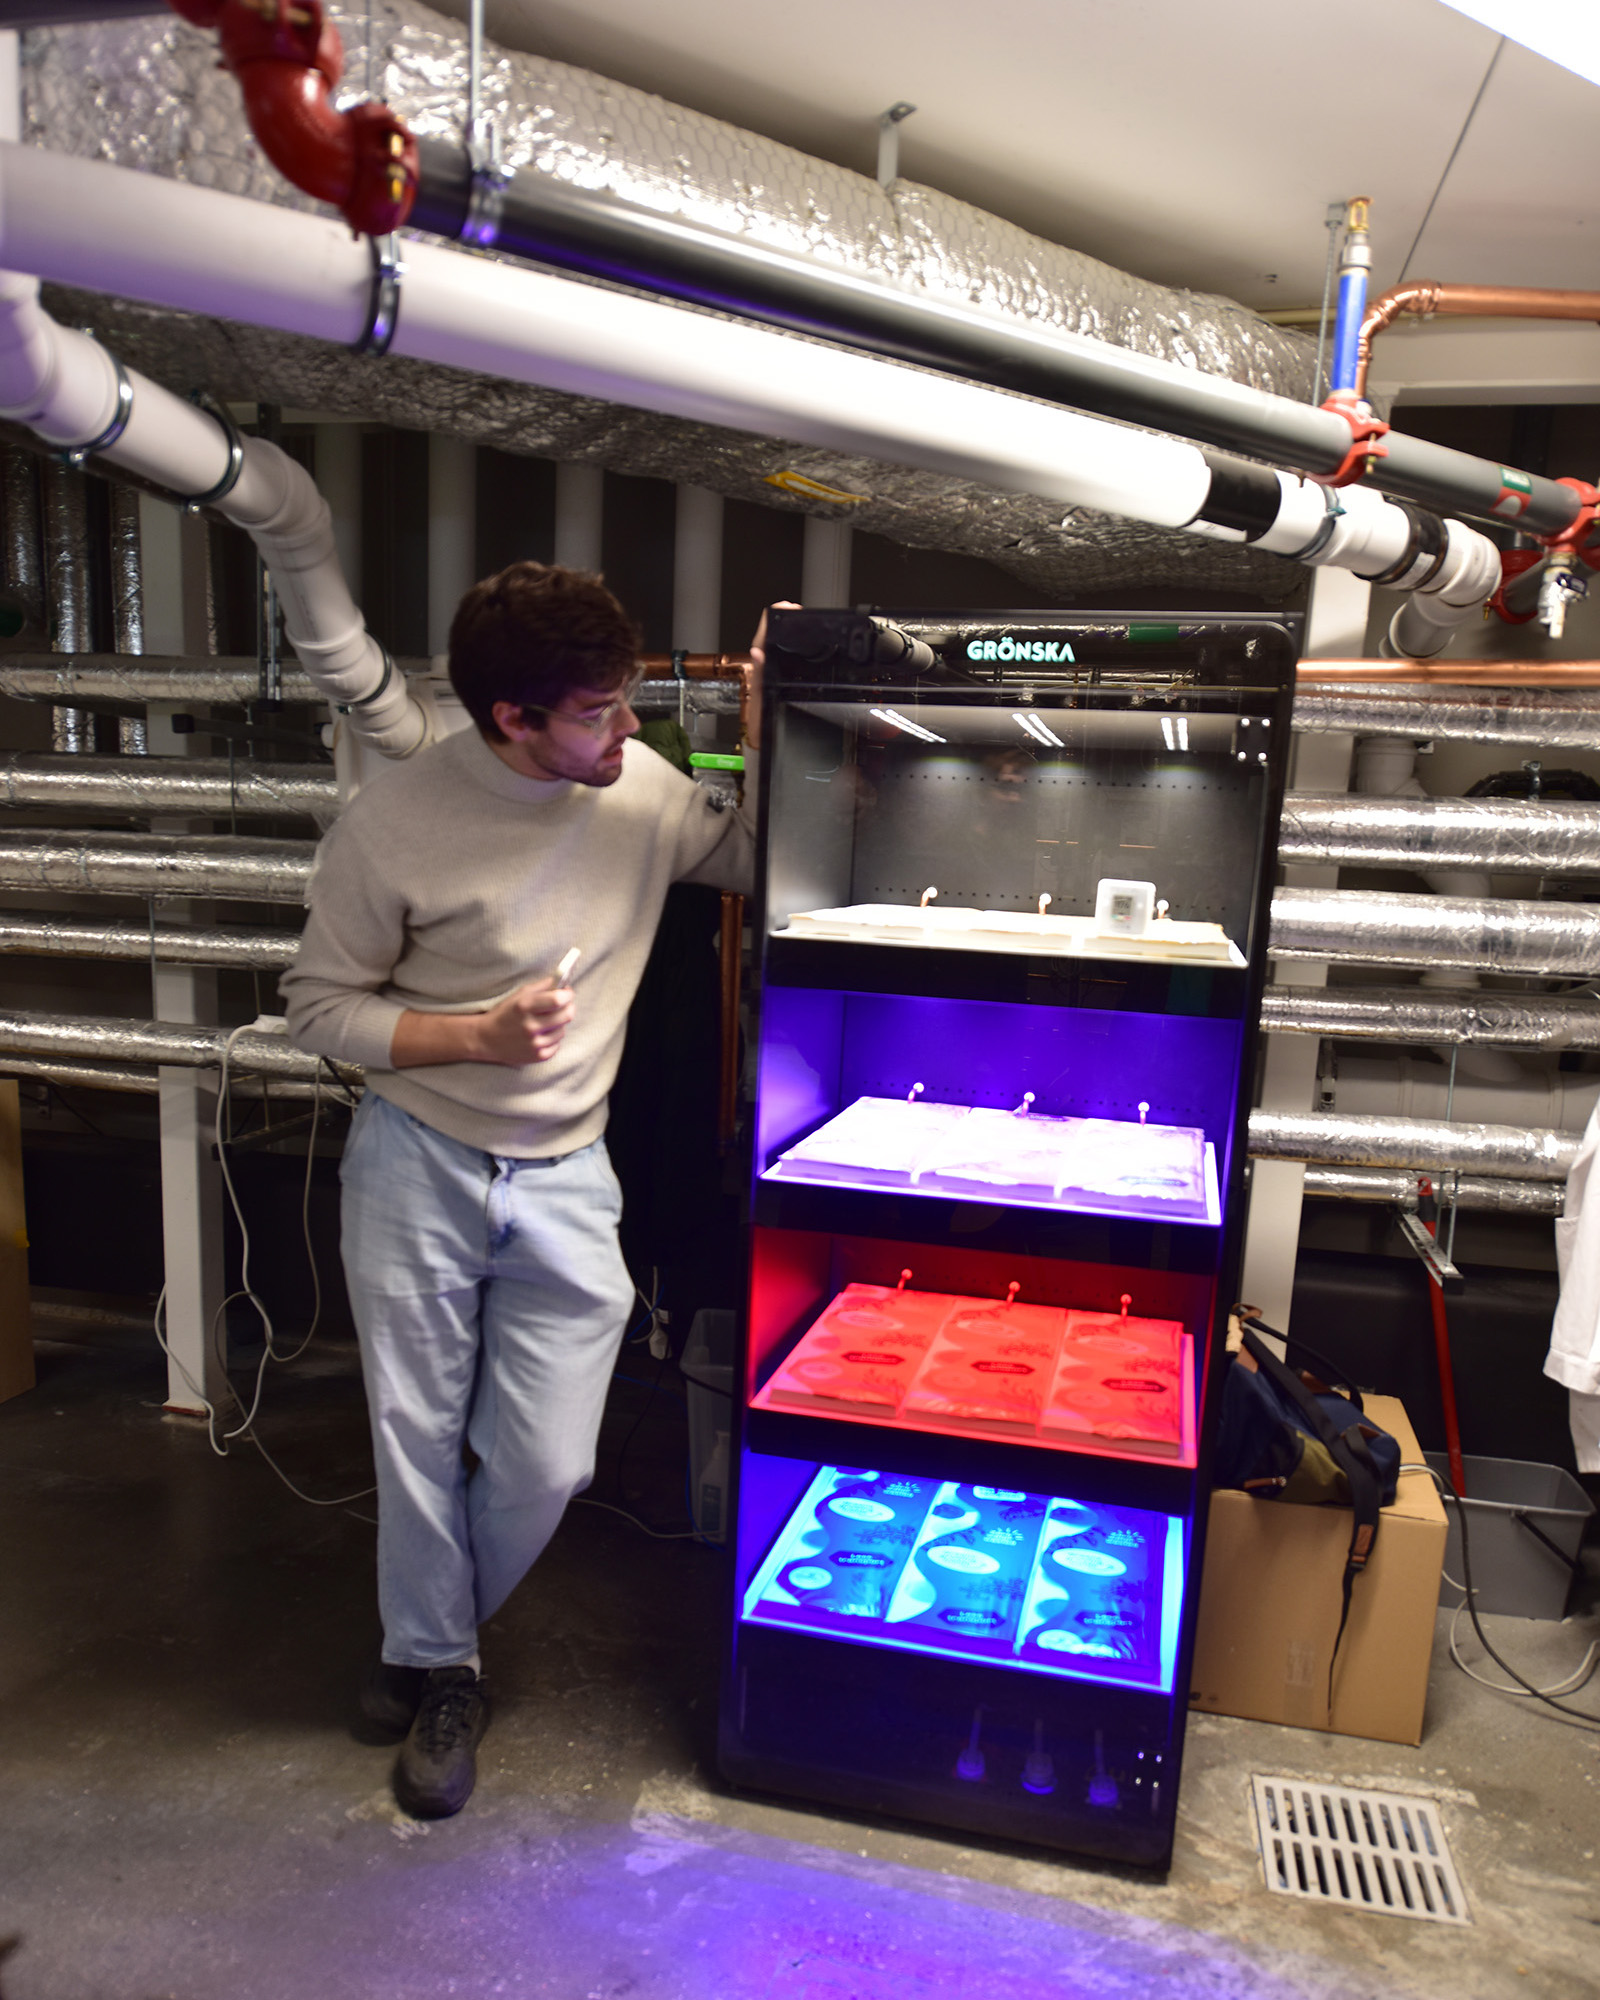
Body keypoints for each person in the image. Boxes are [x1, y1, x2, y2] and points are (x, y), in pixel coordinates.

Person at [281, 562, 765, 1818]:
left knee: (551, 1460)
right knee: (416, 1434)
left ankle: (420, 1634)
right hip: (417, 1157)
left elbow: (766, 852)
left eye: (628, 700)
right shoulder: (390, 824)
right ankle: (446, 1669)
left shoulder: (644, 790)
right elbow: (317, 1009)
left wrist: (781, 726)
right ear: (512, 720)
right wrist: (472, 1037)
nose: (633, 729)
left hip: (567, 1171)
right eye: (600, 711)